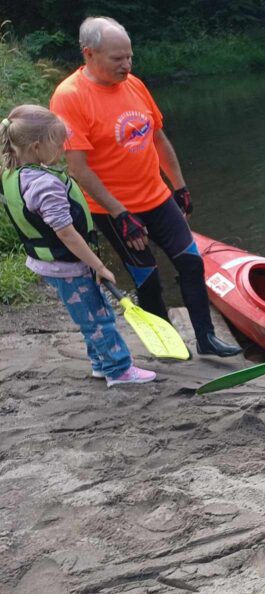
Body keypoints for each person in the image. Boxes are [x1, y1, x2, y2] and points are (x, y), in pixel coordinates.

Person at [49, 16, 240, 357]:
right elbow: (78, 167)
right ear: (89, 54)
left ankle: (206, 339)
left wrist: (179, 186)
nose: (127, 65)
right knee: (147, 277)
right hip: (113, 209)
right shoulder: (70, 97)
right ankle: (166, 346)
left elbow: (158, 137)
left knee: (192, 263)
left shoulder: (134, 85)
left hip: (156, 196)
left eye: (129, 56)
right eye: (117, 59)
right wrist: (120, 213)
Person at [0, 106, 155, 387]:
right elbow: (66, 233)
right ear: (37, 146)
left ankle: (100, 363)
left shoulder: (11, 173)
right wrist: (99, 266)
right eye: (58, 144)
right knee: (99, 317)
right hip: (67, 264)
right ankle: (118, 370)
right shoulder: (44, 186)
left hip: (49, 262)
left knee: (87, 314)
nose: (63, 149)